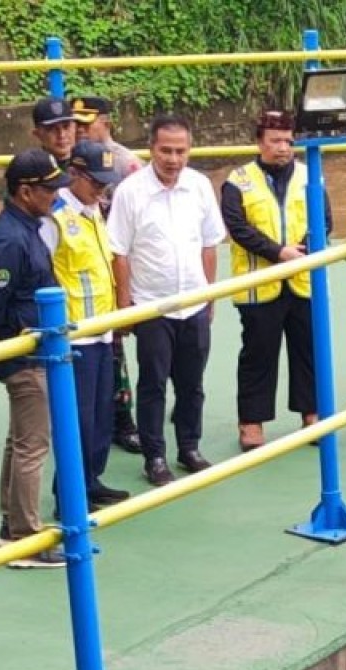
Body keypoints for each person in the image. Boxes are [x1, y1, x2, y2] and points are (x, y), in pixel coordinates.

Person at [108, 114, 225, 485]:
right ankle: (154, 456)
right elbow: (119, 252)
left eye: (181, 151)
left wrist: (210, 294)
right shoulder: (130, 192)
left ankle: (189, 447)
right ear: (151, 150)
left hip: (194, 300)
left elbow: (210, 243)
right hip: (152, 304)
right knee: (153, 383)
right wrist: (125, 306)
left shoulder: (200, 186)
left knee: (192, 382)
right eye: (165, 151)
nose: (173, 159)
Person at [0, 149, 68, 569]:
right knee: (33, 445)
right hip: (24, 354)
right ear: (25, 191)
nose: (55, 196)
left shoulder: (26, 227)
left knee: (20, 441)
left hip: (33, 350)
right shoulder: (10, 238)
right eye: (48, 189)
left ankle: (12, 526)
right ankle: (25, 538)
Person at [220, 110, 332, 451]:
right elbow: (238, 229)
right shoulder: (237, 181)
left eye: (287, 140)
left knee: (308, 349)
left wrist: (306, 248)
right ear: (259, 142)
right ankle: (251, 423)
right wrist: (278, 252)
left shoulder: (310, 176)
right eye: (275, 141)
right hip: (260, 285)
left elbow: (324, 221)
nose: (282, 148)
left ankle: (311, 413)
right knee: (258, 354)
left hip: (302, 281)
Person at [39, 141, 131, 510]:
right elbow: (43, 271)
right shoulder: (55, 216)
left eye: (105, 184)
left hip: (102, 330)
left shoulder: (94, 210)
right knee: (77, 421)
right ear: (74, 174)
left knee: (101, 418)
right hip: (75, 334)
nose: (101, 190)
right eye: (95, 182)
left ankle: (91, 481)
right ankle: (70, 495)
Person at [70, 95, 144, 455]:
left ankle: (123, 419)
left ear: (107, 123)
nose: (81, 129)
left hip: (117, 263)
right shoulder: (68, 163)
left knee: (118, 350)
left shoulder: (128, 165)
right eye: (76, 123)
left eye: (88, 122)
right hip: (81, 270)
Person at [32, 97, 76, 171]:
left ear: (75, 127)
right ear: (37, 134)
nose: (62, 135)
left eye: (66, 127)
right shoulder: (31, 169)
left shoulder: (90, 165)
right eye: (52, 129)